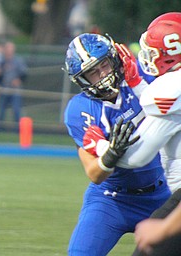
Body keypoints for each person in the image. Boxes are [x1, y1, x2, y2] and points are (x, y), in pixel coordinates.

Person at [63, 33, 171, 256]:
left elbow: (168, 111)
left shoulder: (141, 77)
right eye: (93, 72)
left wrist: (138, 84)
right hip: (112, 198)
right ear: (82, 80)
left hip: (162, 193)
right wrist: (110, 154)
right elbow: (94, 173)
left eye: (104, 65)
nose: (103, 74)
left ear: (114, 59)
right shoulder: (81, 109)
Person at [109, 12, 181, 256]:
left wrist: (112, 153)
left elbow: (137, 157)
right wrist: (136, 80)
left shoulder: (170, 88)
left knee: (149, 249)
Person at [0, 41, 27, 128]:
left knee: (16, 109)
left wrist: (19, 80)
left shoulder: (18, 60)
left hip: (15, 89)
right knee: (1, 109)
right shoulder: (2, 60)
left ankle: (18, 128)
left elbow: (24, 73)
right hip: (4, 88)